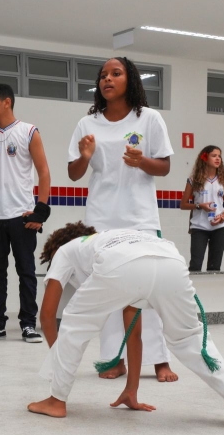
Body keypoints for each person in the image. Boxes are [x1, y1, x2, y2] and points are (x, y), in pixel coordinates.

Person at [27, 223, 224, 430]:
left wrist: (58, 362)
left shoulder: (66, 250)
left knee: (74, 325)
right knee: (189, 337)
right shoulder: (111, 240)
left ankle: (56, 401)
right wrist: (132, 390)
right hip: (170, 260)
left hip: (123, 265)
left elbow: (47, 315)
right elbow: (134, 332)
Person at [67, 56, 177, 383]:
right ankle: (113, 360)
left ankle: (159, 360)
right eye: (103, 75)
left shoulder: (149, 119)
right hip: (101, 218)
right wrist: (85, 157)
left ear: (130, 79)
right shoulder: (88, 124)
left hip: (140, 216)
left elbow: (165, 167)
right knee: (108, 290)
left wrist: (143, 160)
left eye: (115, 73)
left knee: (149, 287)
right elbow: (73, 174)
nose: (107, 79)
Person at [0, 83, 50, 344]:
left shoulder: (29, 132)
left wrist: (40, 211)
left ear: (7, 102)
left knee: (26, 272)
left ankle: (28, 324)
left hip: (22, 216)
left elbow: (44, 172)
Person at [180, 145, 224, 271]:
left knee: (215, 267)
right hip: (199, 227)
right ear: (205, 158)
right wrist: (199, 206)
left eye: (219, 156)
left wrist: (223, 216)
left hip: (220, 227)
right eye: (214, 156)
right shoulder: (193, 180)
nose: (218, 158)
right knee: (195, 265)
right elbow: (183, 204)